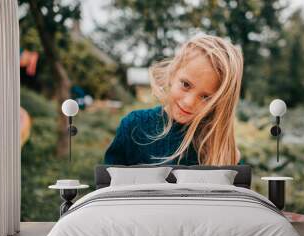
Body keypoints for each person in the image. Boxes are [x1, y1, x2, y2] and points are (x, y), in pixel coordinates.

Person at [104, 34, 243, 166]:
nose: (189, 102)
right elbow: (108, 185)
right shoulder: (133, 126)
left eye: (206, 97)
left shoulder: (222, 149)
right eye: (186, 85)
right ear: (172, 73)